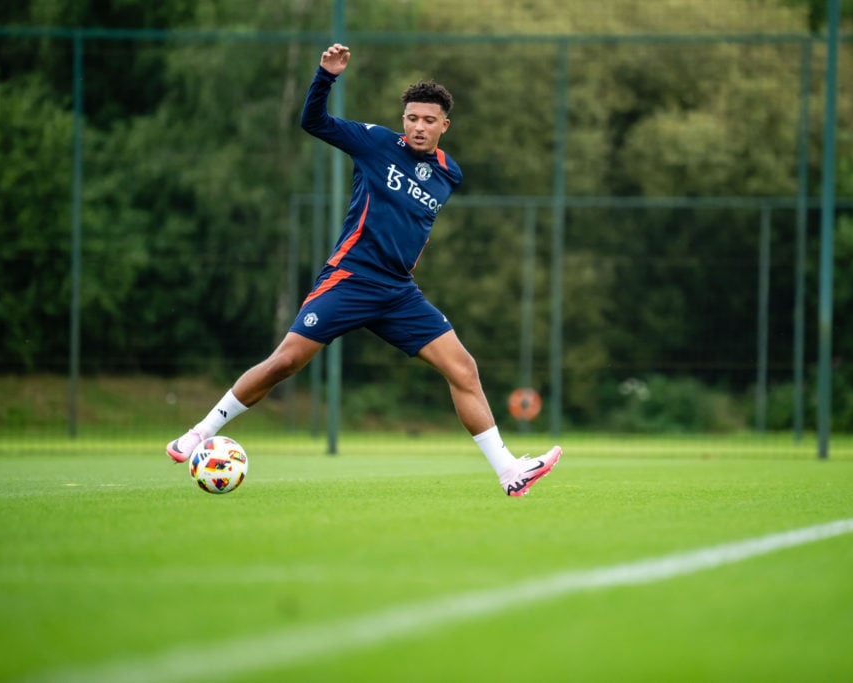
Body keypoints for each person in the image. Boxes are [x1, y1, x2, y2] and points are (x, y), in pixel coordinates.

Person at [166, 43, 561, 496]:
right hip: (351, 278)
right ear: (403, 119)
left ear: (444, 126)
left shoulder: (449, 173)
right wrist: (325, 77)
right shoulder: (375, 143)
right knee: (286, 362)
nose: (417, 126)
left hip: (398, 292)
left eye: (428, 120)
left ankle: (509, 472)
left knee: (464, 370)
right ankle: (197, 434)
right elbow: (313, 122)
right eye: (411, 117)